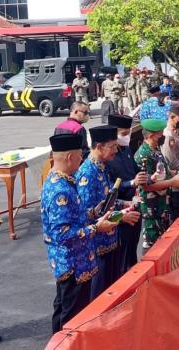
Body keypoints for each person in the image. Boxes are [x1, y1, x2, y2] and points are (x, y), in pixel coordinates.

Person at [42, 134, 118, 333]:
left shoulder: (59, 180)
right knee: (71, 319)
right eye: (78, 157)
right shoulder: (60, 189)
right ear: (69, 157)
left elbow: (72, 216)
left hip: (73, 262)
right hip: (73, 264)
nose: (81, 161)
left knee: (63, 310)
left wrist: (93, 212)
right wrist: (96, 228)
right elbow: (63, 235)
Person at [76, 126, 141, 299]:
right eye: (112, 146)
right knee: (99, 295)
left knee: (112, 289)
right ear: (99, 147)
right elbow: (89, 214)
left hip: (111, 241)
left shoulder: (102, 167)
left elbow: (106, 201)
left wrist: (126, 203)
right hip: (97, 247)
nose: (116, 150)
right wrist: (122, 217)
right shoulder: (87, 174)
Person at [134, 119, 179, 251]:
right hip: (152, 208)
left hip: (163, 204)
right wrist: (172, 182)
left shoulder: (155, 150)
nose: (162, 136)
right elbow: (147, 186)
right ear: (151, 136)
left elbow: (161, 173)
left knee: (165, 243)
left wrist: (174, 175)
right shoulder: (143, 155)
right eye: (159, 134)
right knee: (152, 245)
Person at [106, 115, 148, 274]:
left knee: (132, 249)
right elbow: (110, 187)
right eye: (123, 133)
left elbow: (135, 170)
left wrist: (147, 177)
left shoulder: (126, 149)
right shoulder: (108, 157)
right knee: (121, 256)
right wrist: (131, 183)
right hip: (118, 211)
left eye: (128, 133)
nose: (127, 137)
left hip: (134, 205)